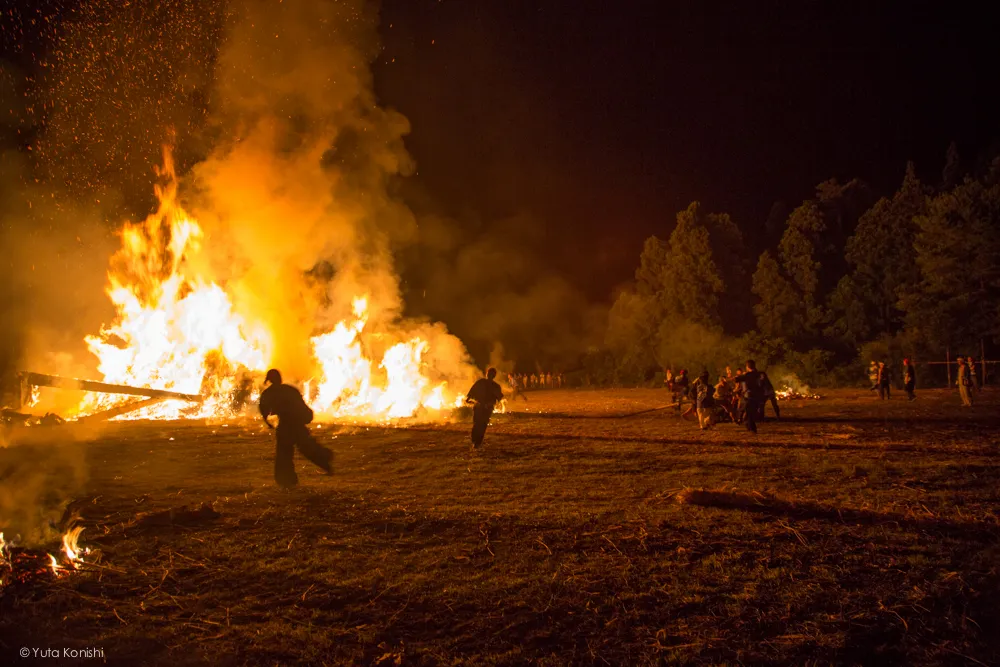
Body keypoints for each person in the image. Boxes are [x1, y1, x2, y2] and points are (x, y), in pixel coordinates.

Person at [259, 369, 333, 488]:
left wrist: (268, 423)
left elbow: (263, 409)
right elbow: (302, 406)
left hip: (286, 426)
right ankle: (325, 460)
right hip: (297, 424)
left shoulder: (270, 393)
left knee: (284, 454)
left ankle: (287, 480)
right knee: (306, 447)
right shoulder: (289, 390)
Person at [466, 367, 505, 449]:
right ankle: (476, 442)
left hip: (484, 408)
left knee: (480, 424)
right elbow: (471, 393)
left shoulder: (489, 384)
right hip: (482, 407)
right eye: (489, 373)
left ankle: (476, 442)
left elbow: (498, 397)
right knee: (480, 425)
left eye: (491, 374)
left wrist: (469, 399)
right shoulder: (483, 383)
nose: (490, 375)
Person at [734, 360, 764, 434]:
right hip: (758, 396)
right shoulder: (759, 374)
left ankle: (752, 430)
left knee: (748, 414)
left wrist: (740, 375)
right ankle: (750, 428)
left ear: (747, 367)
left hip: (749, 396)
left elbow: (736, 379)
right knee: (749, 413)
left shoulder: (748, 375)